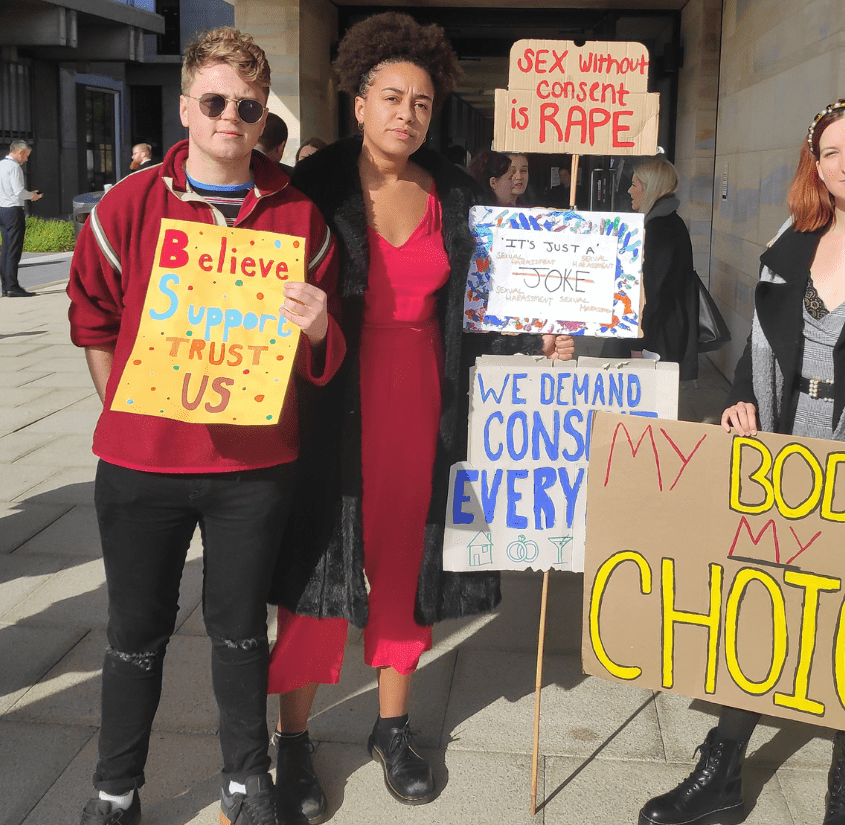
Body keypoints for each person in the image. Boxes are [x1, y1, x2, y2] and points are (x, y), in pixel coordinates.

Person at [266, 12, 570, 821]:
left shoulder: (457, 193)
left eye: (423, 103)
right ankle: (291, 739)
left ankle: (391, 726)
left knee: (409, 563)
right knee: (315, 568)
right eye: (393, 97)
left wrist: (540, 332)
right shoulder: (312, 186)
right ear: (360, 101)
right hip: (328, 400)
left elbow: (483, 308)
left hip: (425, 404)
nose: (408, 114)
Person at [639, 99, 845, 825]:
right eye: (830, 152)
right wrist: (741, 398)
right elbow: (764, 343)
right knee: (760, 602)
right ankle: (722, 767)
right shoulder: (790, 239)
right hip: (789, 440)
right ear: (814, 164)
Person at [67, 27, 342, 825]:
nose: (231, 118)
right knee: (134, 631)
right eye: (215, 101)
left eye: (248, 107)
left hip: (252, 468)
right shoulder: (127, 205)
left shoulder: (300, 215)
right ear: (186, 105)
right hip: (142, 464)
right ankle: (115, 788)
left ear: (263, 120)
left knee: (240, 630)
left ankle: (247, 781)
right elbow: (91, 317)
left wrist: (321, 326)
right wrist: (123, 408)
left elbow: (330, 350)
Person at [629, 157, 700, 378]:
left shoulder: (658, 229)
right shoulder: (670, 222)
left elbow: (650, 292)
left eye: (634, 184)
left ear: (649, 188)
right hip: (666, 332)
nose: (629, 191)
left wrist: (638, 343)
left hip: (657, 337)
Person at [0, 139, 42, 297]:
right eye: (26, 156)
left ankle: (5, 287)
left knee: (6, 249)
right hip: (13, 210)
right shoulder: (14, 168)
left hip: (1, 209)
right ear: (20, 152)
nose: (26, 159)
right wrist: (32, 195)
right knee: (14, 250)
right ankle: (12, 286)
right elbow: (19, 191)